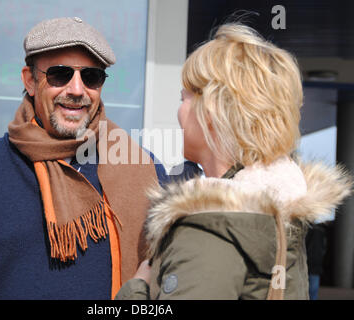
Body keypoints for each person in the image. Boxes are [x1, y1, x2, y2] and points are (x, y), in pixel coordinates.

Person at [0, 17, 167, 300]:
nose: (76, 90)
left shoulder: (145, 170)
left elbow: (171, 277)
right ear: (30, 80)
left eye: (91, 76)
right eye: (60, 74)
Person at [115, 23, 352, 300]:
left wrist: (137, 288)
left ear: (212, 112)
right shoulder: (278, 211)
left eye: (185, 98)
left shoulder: (213, 227)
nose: (178, 111)